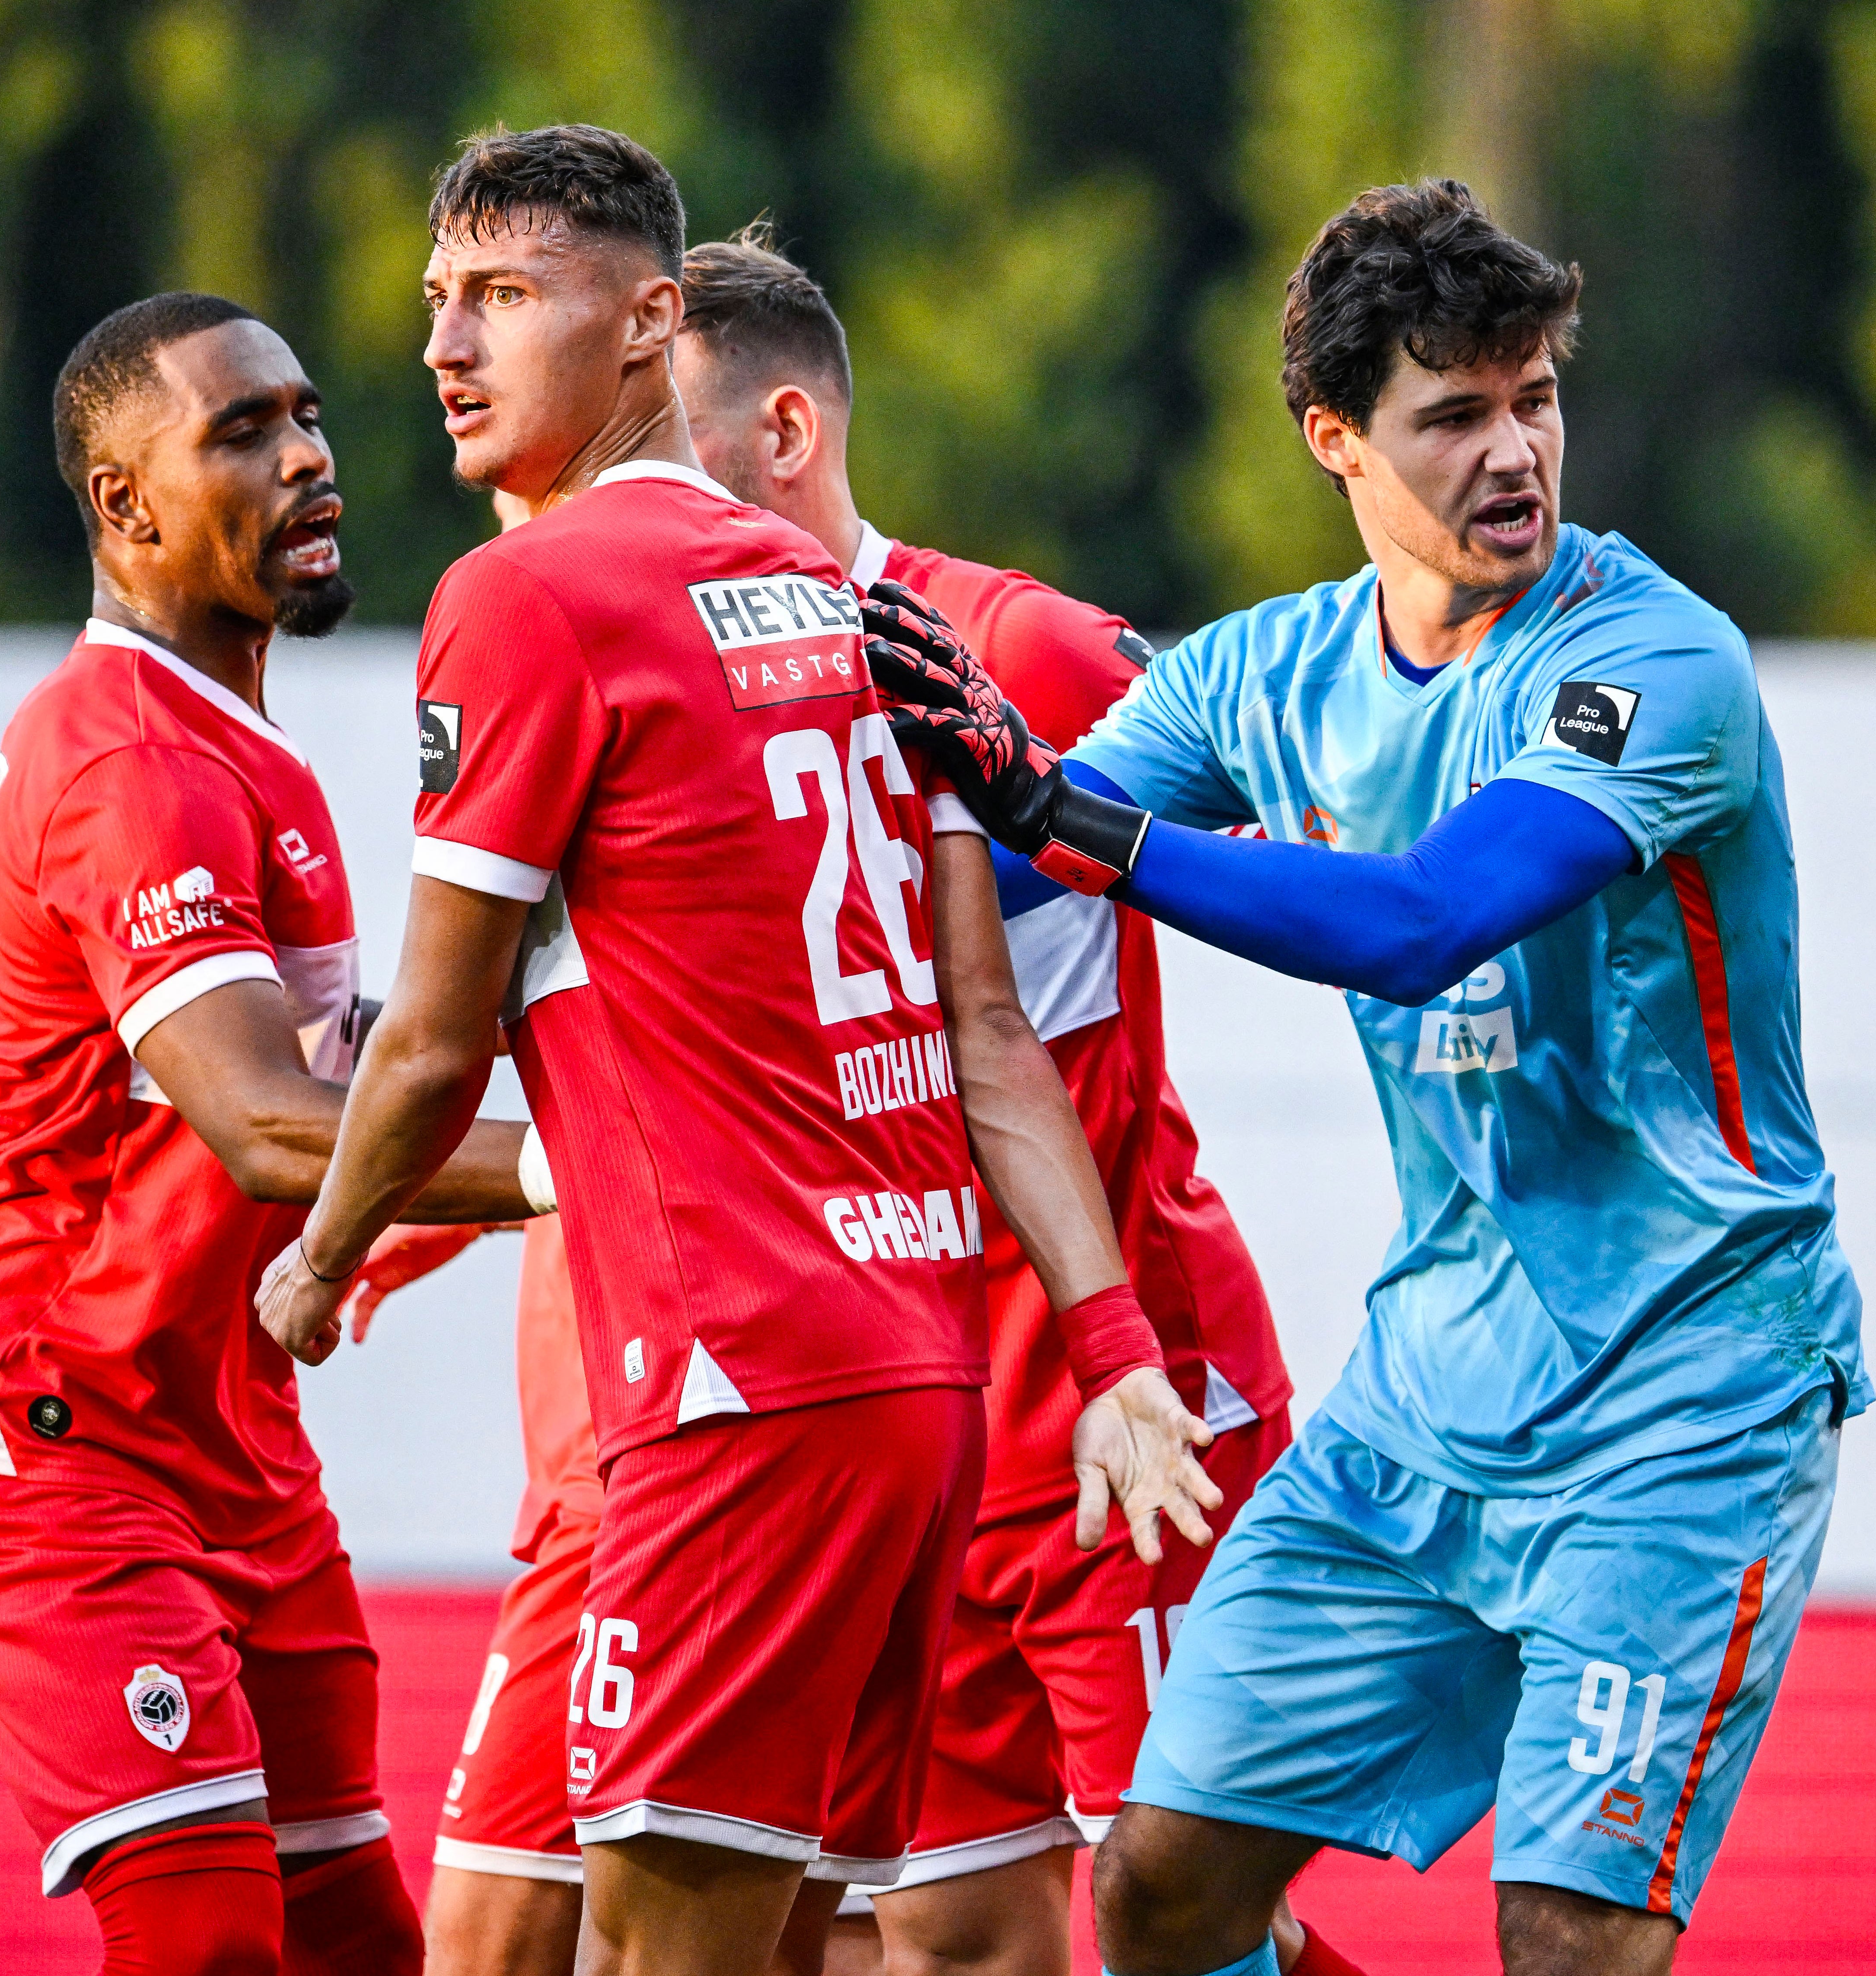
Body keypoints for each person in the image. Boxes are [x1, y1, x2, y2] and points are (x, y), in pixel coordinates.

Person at [868, 179, 1868, 1976]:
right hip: (1428, 1398)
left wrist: (1072, 817)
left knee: (1567, 1934)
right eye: (1455, 414)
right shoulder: (1263, 674)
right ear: (1335, 438)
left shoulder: (1653, 659)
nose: (1515, 452)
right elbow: (995, 874)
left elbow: (1421, 921)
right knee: (1159, 1887)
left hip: (1688, 1399)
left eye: (1533, 397)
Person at [251, 124, 1218, 1976]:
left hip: (735, 1387)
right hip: (922, 1385)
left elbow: (435, 1040)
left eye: (505, 295)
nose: (446, 346)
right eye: (440, 300)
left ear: (649, 322)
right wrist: (1104, 1346)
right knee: (818, 1943)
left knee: (651, 1952)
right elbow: (981, 1036)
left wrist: (320, 1255)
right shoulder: (871, 614)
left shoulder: (524, 595)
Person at [0, 291, 545, 1976]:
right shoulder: (129, 763)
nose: (307, 456)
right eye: (241, 431)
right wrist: (598, 1169)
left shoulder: (239, 748)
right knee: (210, 1939)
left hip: (221, 1427)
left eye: (305, 415)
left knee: (350, 1938)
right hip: (50, 1420)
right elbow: (261, 1121)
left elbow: (363, 1078)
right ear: (125, 504)